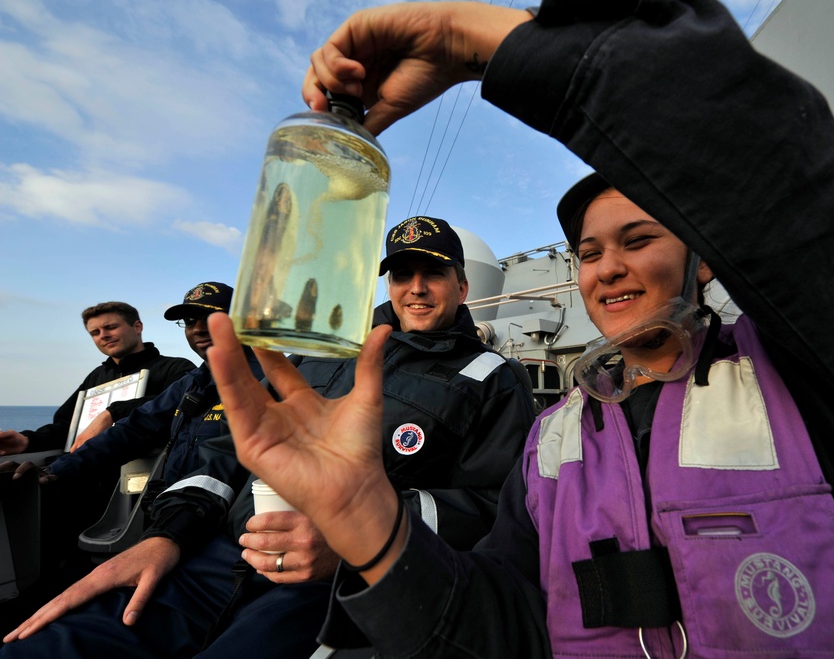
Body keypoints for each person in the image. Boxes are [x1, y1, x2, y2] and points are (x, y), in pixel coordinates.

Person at [192, 0, 834, 657]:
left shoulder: (807, 378)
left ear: (704, 261)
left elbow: (769, 164)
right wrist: (367, 520)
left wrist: (480, 46)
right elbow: (494, 618)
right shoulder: (552, 439)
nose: (604, 267)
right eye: (589, 251)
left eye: (639, 239)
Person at [1, 217, 536, 658]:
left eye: (434, 273)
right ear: (388, 284)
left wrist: (363, 533)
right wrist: (168, 535)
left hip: (328, 580)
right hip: (216, 557)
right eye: (402, 274)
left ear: (462, 286)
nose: (416, 288)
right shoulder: (319, 353)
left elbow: (493, 506)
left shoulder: (493, 378)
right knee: (39, 649)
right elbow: (227, 446)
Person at [0, 282, 263, 632]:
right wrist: (56, 472)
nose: (199, 328)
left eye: (214, 317)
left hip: (220, 536)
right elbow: (134, 428)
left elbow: (228, 464)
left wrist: (169, 535)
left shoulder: (268, 378)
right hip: (165, 524)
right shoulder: (193, 384)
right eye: (189, 321)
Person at [0, 302, 195, 456]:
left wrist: (112, 413)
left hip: (146, 474)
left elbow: (180, 404)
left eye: (110, 327)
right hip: (93, 474)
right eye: (95, 332)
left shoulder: (176, 367)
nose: (103, 336)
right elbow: (68, 427)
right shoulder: (97, 376)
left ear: (137, 327)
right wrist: (28, 441)